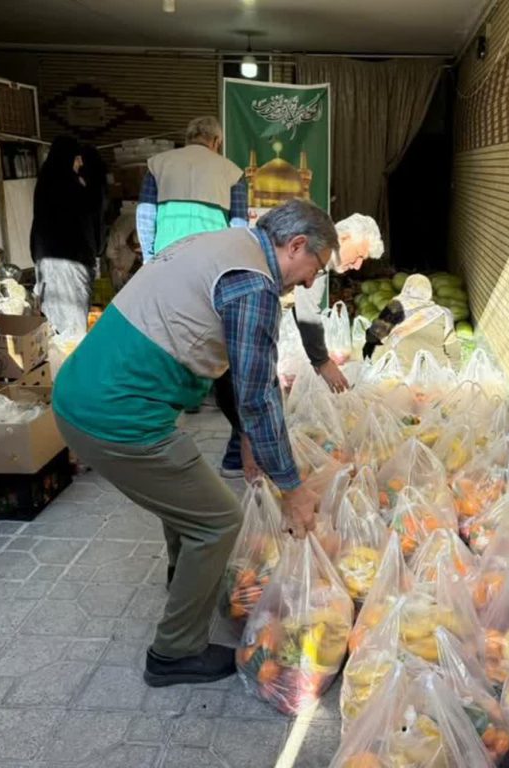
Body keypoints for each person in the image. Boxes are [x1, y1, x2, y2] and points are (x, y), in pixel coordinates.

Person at [52, 200, 337, 686]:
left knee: (187, 490)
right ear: (295, 246)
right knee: (218, 521)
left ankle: (183, 578)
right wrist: (292, 488)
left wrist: (248, 436)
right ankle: (175, 653)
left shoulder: (227, 245)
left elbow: (233, 367)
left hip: (87, 392)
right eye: (317, 268)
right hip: (114, 414)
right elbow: (259, 395)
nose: (311, 283)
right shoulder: (253, 283)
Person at [214, 212, 384, 479]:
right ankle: (248, 458)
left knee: (247, 386)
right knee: (252, 385)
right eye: (359, 255)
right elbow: (306, 311)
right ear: (344, 238)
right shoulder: (303, 261)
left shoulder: (311, 256)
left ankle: (240, 457)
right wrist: (322, 361)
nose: (359, 265)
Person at [136, 116, 248, 263]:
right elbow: (239, 225)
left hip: (166, 256)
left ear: (187, 138)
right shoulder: (232, 172)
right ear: (216, 141)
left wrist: (148, 258)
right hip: (212, 258)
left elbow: (146, 214)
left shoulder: (158, 164)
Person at [30, 136, 105, 338]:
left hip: (47, 261)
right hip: (69, 264)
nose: (80, 163)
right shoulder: (69, 187)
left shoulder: (46, 182)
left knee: (56, 321)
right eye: (77, 158)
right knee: (72, 325)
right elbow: (90, 218)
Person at [362, 273, 462, 370]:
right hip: (435, 371)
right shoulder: (442, 313)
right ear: (429, 292)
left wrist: (376, 365)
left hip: (401, 373)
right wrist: (455, 368)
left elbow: (378, 341)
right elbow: (452, 346)